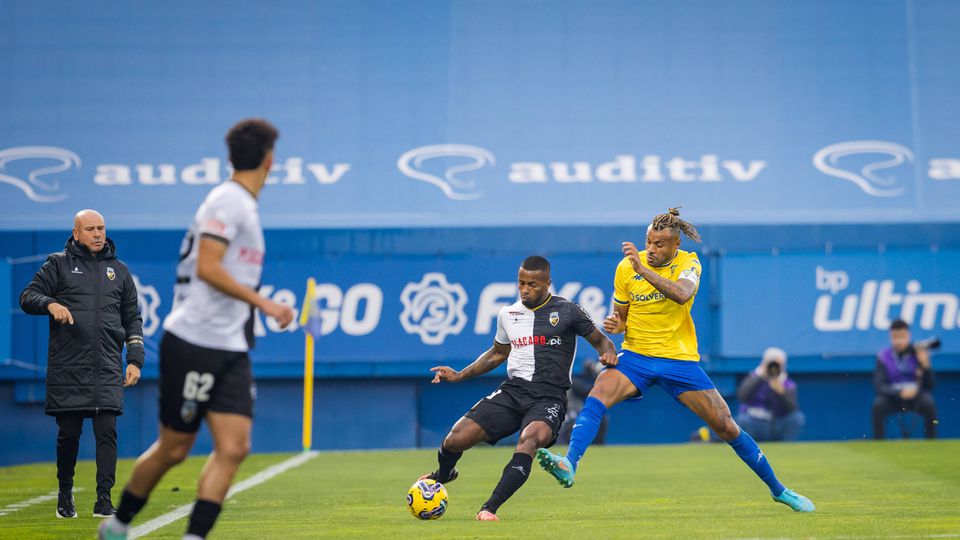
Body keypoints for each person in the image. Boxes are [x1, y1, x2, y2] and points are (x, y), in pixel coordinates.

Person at [536, 208, 815, 513]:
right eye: (648, 242)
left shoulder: (688, 263)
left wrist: (643, 269)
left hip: (679, 360)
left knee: (726, 426)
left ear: (675, 246)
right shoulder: (626, 268)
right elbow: (623, 317)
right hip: (637, 356)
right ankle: (569, 462)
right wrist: (617, 325)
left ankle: (779, 490)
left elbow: (682, 294)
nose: (651, 249)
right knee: (598, 392)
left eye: (659, 244)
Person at [99, 119, 295, 540]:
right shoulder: (228, 201)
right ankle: (117, 525)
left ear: (230, 157)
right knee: (174, 448)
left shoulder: (243, 204)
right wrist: (265, 303)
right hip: (194, 342)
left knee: (234, 447)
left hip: (231, 347)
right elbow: (207, 266)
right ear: (269, 160)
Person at [425, 256, 617, 521]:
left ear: (547, 283)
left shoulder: (568, 311)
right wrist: (460, 375)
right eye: (521, 283)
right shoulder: (508, 314)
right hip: (513, 392)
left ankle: (489, 508)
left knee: (528, 440)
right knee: (454, 440)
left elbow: (603, 342)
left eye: (533, 284)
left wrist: (608, 355)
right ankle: (444, 475)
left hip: (549, 397)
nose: (525, 289)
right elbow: (496, 354)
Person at [19, 209, 144, 519]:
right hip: (69, 366)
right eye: (90, 229)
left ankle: (104, 499)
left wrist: (135, 360)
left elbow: (132, 318)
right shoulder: (58, 265)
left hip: (106, 366)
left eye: (101, 228)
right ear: (76, 233)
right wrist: (51, 303)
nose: (98, 234)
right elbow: (27, 296)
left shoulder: (120, 271)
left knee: (107, 430)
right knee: (69, 434)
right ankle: (65, 491)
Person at [872, 319, 937, 439]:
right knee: (878, 405)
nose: (899, 341)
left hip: (916, 396)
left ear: (908, 335)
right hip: (894, 398)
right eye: (895, 337)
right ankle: (878, 442)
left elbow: (930, 385)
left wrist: (926, 365)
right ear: (890, 337)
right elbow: (879, 386)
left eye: (902, 336)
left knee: (929, 403)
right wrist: (899, 393)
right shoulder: (883, 356)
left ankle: (931, 441)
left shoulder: (918, 352)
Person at [734, 347, 805, 442]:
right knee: (742, 420)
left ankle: (787, 450)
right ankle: (749, 449)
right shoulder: (754, 377)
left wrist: (780, 390)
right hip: (754, 421)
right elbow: (742, 396)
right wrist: (759, 376)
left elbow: (793, 408)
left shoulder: (787, 384)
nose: (774, 368)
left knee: (797, 418)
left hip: (777, 423)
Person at [558, 359, 607, 446]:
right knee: (567, 422)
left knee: (601, 419)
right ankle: (560, 446)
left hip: (577, 411)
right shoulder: (573, 379)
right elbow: (586, 389)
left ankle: (597, 447)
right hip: (567, 412)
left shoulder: (583, 379)